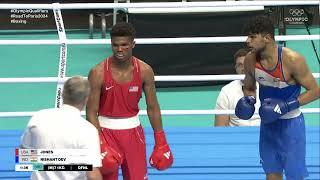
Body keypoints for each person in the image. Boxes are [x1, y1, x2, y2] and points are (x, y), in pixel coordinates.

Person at [235, 15, 320, 180]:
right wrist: (249, 100)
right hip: (268, 125)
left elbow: (315, 91)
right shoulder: (250, 60)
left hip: (292, 125)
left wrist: (286, 106)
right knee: (271, 174)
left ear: (266, 37)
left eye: (252, 36)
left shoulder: (292, 60)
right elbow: (250, 87)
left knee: (294, 175)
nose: (247, 41)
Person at [86, 22, 173, 180]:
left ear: (133, 43)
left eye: (124, 45)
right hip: (105, 133)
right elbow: (91, 111)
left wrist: (161, 140)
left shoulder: (145, 71)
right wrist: (99, 142)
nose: (119, 49)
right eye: (115, 45)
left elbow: (153, 107)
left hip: (133, 134)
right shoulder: (97, 72)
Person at [20, 76, 102, 180]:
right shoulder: (88, 131)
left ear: (62, 94)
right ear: (86, 99)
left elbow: (24, 153)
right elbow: (92, 175)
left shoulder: (38, 117)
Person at [215, 48, 261, 126]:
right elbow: (220, 128)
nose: (244, 68)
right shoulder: (227, 91)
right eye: (240, 65)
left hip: (262, 136)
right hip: (236, 137)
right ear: (236, 69)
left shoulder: (267, 88)